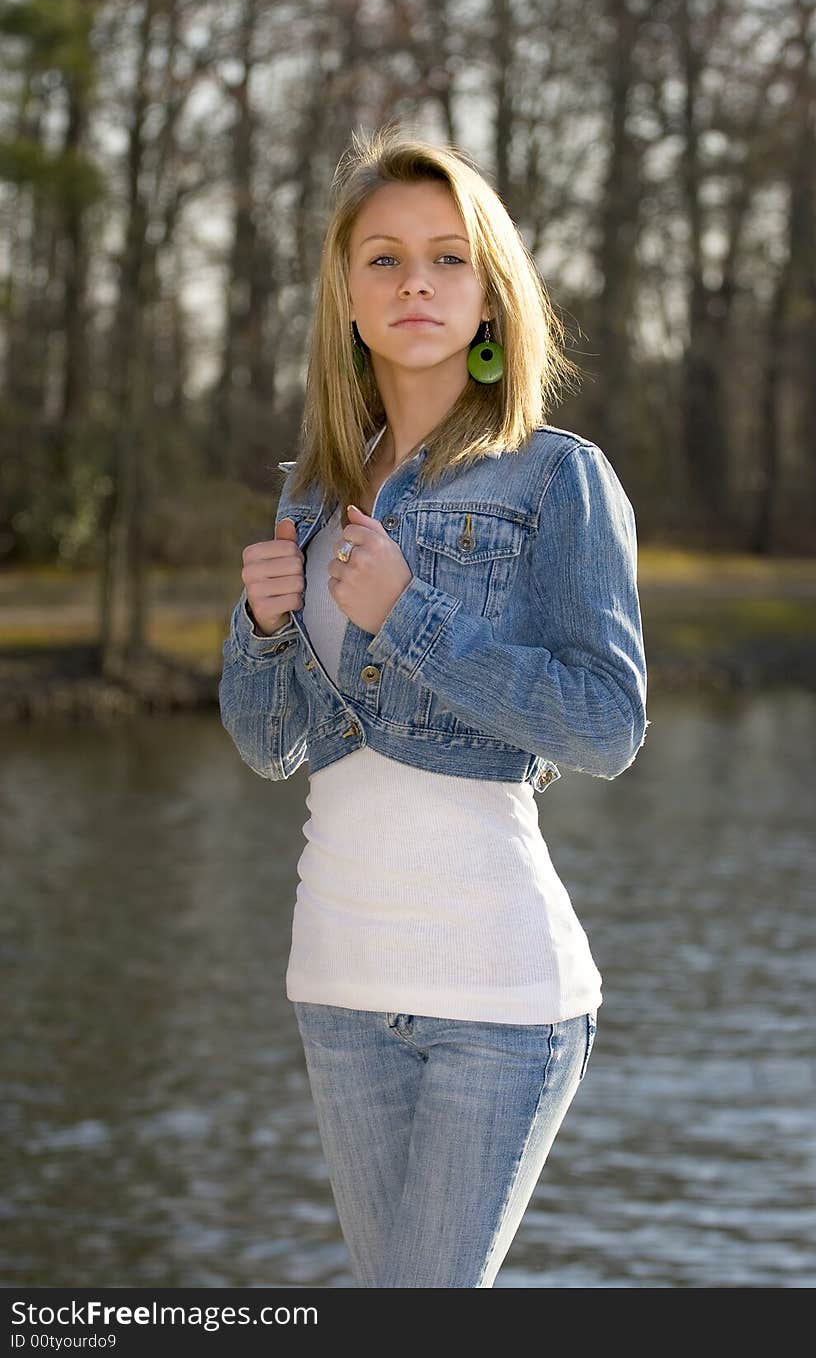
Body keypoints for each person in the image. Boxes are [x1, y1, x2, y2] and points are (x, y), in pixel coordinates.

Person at [218, 121, 650, 1288]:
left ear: (490, 296)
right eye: (384, 258)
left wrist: (408, 617)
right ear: (347, 303)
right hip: (338, 983)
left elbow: (607, 725)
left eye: (449, 257)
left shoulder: (556, 474)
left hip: (496, 996)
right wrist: (262, 631)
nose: (417, 280)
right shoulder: (306, 497)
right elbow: (272, 749)